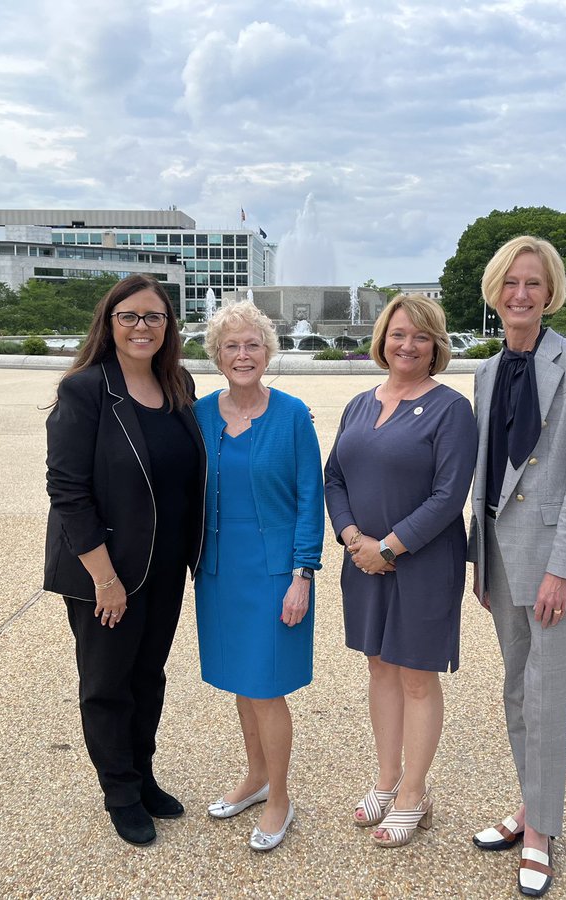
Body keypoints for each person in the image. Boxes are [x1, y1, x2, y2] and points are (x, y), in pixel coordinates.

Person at [467, 236, 566, 897]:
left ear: (550, 293)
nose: (520, 294)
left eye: (534, 283)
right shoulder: (487, 370)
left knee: (548, 701)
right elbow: (484, 474)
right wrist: (479, 562)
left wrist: (564, 568)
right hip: (500, 559)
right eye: (510, 283)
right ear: (495, 292)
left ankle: (541, 832)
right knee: (517, 693)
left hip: (554, 565)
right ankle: (532, 805)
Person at [44, 274, 206, 847]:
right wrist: (104, 579)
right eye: (130, 317)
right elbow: (67, 490)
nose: (143, 327)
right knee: (107, 683)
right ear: (109, 323)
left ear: (169, 326)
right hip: (104, 570)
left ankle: (143, 773)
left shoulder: (178, 384)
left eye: (154, 317)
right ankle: (119, 791)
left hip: (164, 566)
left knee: (148, 677)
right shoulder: (86, 390)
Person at [324, 293, 477, 848]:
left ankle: (415, 793)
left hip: (422, 563)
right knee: (380, 668)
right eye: (397, 334)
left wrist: (388, 547)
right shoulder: (360, 404)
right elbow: (334, 475)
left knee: (416, 675)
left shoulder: (451, 409)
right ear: (381, 340)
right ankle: (386, 781)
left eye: (420, 336)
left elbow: (448, 495)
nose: (406, 345)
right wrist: (351, 537)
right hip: (361, 560)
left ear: (436, 345)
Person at [193, 301, 324, 852]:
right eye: (231, 346)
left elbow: (308, 499)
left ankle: (280, 798)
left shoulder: (292, 415)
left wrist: (303, 574)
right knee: (242, 685)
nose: (242, 354)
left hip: (275, 575)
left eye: (252, 345)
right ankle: (255, 776)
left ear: (268, 352)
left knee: (266, 688)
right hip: (219, 572)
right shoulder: (199, 414)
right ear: (216, 355)